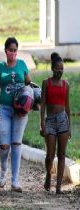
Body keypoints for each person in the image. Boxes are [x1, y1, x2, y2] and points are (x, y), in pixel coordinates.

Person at [0, 37, 31, 193]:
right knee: (4, 144)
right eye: (10, 50)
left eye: (15, 50)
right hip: (5, 109)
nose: (13, 53)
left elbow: (29, 85)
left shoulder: (22, 65)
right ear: (5, 50)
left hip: (20, 112)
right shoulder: (0, 68)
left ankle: (15, 181)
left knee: (16, 143)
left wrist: (33, 101)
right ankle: (3, 171)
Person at [40, 52, 71, 194]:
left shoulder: (66, 85)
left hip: (63, 120)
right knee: (50, 155)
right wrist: (42, 124)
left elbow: (68, 107)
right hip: (50, 121)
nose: (60, 71)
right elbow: (43, 104)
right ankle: (48, 174)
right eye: (57, 68)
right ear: (52, 69)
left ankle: (58, 187)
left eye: (62, 68)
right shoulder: (46, 83)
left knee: (62, 154)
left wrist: (69, 126)